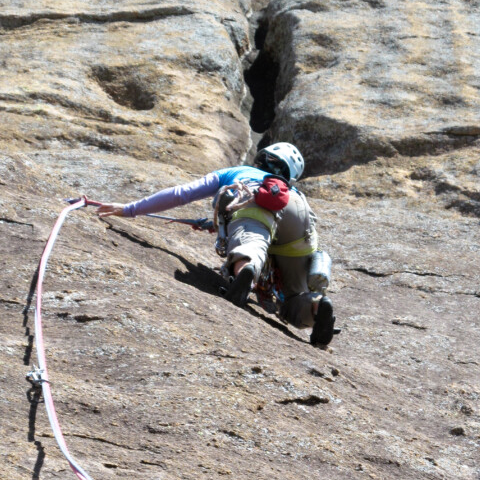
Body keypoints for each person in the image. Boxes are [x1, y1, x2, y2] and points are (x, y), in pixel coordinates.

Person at [96, 143, 337, 347]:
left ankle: (246, 271)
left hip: (251, 193)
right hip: (299, 214)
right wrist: (213, 224)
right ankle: (316, 307)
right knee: (293, 296)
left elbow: (181, 193)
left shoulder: (238, 171)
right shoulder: (290, 189)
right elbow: (277, 219)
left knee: (251, 243)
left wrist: (130, 209)